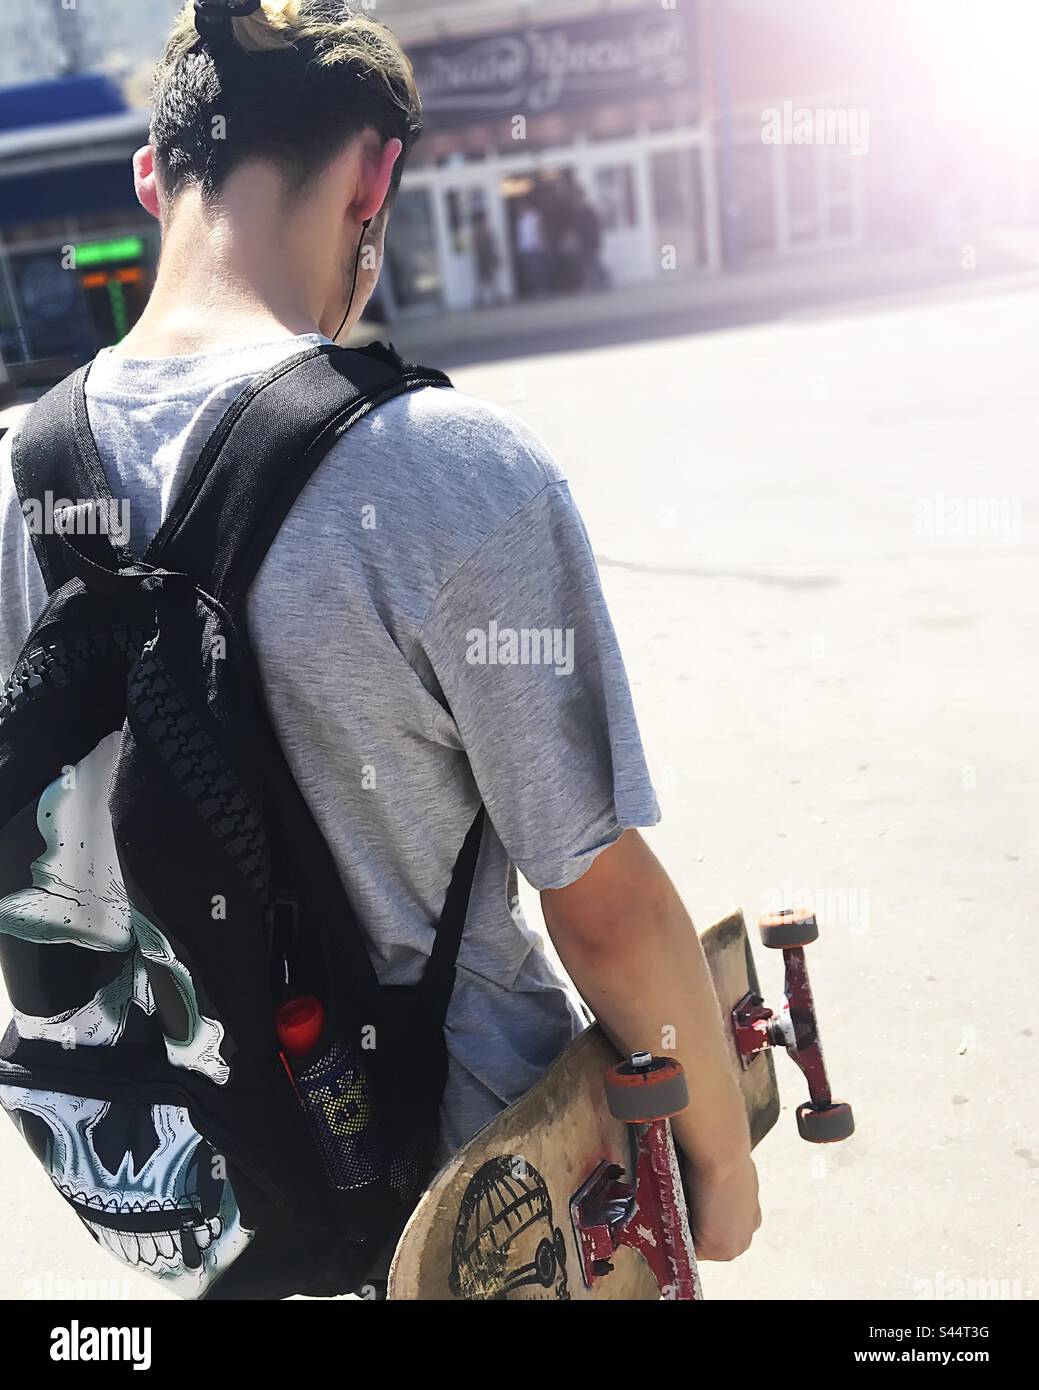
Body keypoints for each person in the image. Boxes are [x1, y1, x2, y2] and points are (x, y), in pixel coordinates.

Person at [0, 0, 758, 1274]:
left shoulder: (17, 484)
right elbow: (605, 912)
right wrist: (722, 1162)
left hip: (191, 1223)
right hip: (474, 1217)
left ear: (152, 174)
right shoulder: (446, 471)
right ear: (375, 173)